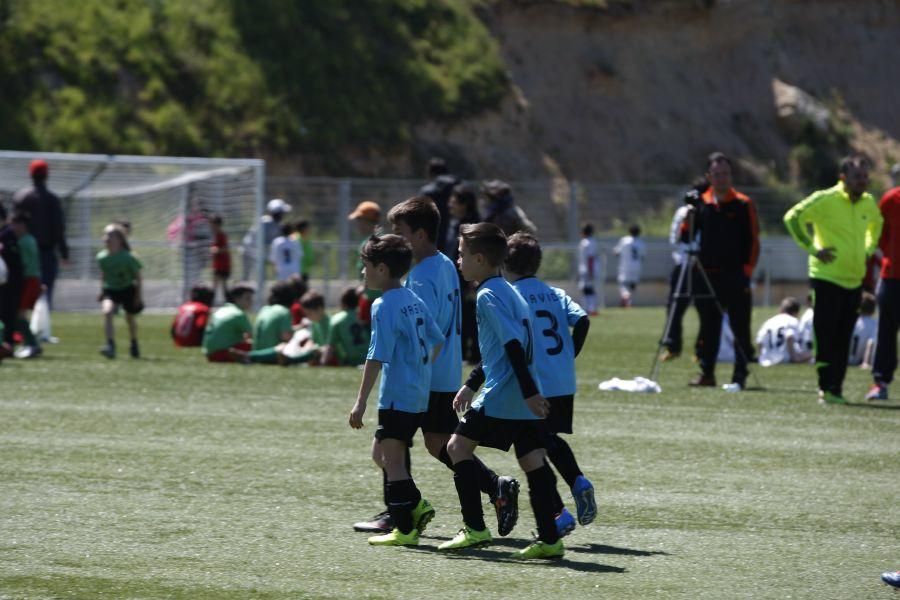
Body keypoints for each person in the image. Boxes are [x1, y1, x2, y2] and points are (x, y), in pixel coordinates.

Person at [354, 197, 516, 536]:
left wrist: (402, 366)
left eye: (400, 232)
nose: (395, 239)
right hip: (443, 372)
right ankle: (495, 485)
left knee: (389, 446)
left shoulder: (421, 277)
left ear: (422, 234)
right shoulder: (443, 263)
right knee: (437, 442)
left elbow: (421, 331)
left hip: (424, 375)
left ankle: (400, 513)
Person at [441, 222, 563, 560]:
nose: (458, 260)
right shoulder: (510, 290)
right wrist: (471, 382)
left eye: (462, 254)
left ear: (480, 259)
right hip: (520, 391)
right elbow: (504, 346)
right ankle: (550, 539)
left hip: (505, 394)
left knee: (457, 447)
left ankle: (474, 528)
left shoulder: (487, 295)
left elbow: (511, 346)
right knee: (533, 461)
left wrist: (525, 392)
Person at [348, 233, 444, 548]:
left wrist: (360, 402)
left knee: (394, 461)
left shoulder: (384, 304)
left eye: (366, 266)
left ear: (382, 268)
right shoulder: (412, 299)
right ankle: (415, 505)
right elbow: (437, 339)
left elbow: (376, 356)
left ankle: (405, 528)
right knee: (382, 454)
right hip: (417, 394)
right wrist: (421, 370)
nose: (362, 272)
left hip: (396, 395)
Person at [505, 232, 596, 536]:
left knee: (529, 448)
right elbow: (582, 320)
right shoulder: (554, 292)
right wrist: (570, 354)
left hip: (536, 382)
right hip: (562, 379)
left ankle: (558, 514)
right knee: (546, 439)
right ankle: (577, 481)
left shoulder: (511, 295)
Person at [784, 155, 883, 404]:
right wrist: (812, 248)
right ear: (843, 177)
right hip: (826, 278)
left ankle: (835, 388)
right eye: (858, 177)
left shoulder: (868, 203)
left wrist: (868, 251)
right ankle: (825, 387)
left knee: (844, 336)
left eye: (865, 176)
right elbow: (792, 218)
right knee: (826, 334)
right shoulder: (825, 199)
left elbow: (877, 225)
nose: (863, 181)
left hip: (854, 280)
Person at [686, 152, 760, 390]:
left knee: (740, 326)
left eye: (725, 174)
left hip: (735, 275)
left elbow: (754, 240)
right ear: (709, 176)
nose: (721, 179)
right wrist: (688, 215)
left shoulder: (743, 203)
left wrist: (747, 271)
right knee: (708, 326)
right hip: (706, 276)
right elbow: (685, 235)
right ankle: (707, 373)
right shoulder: (701, 203)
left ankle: (740, 375)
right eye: (716, 174)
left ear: (731, 175)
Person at [12, 160, 69, 316]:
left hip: (22, 253)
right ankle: (41, 329)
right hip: (46, 252)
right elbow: (59, 228)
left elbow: (13, 226)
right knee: (45, 292)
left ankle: (20, 326)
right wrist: (64, 253)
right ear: (46, 175)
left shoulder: (21, 197)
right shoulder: (53, 200)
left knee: (21, 291)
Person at [660, 179, 707, 361]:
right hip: (683, 264)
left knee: (705, 307)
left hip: (701, 265)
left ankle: (702, 349)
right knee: (674, 306)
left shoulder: (707, 212)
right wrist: (683, 256)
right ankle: (672, 344)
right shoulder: (683, 213)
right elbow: (675, 238)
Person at [866, 169, 900, 400]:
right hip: (892, 277)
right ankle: (880, 382)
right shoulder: (890, 199)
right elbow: (879, 233)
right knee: (886, 332)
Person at [96, 226, 143, 359]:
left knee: (129, 318)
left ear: (119, 240)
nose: (106, 238)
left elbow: (138, 277)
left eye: (110, 235)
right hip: (111, 289)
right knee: (107, 311)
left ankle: (134, 342)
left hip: (127, 289)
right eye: (105, 235)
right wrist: (101, 290)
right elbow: (104, 273)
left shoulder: (128, 257)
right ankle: (110, 345)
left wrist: (138, 296)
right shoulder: (101, 257)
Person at [447, 184, 481, 364]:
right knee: (458, 316)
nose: (450, 203)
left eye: (454, 200)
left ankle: (475, 353)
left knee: (472, 318)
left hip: (468, 278)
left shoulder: (473, 224)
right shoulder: (453, 223)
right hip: (455, 277)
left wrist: (474, 278)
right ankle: (459, 353)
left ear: (465, 203)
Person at [240, 281, 296, 364]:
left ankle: (250, 355)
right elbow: (286, 336)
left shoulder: (264, 309)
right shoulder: (284, 311)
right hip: (273, 356)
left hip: (257, 353)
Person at [11, 211, 43, 358]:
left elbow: (23, 264)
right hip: (33, 280)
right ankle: (27, 343)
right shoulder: (30, 239)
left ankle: (32, 345)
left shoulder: (23, 241)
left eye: (14, 224)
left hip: (29, 280)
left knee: (20, 315)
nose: (12, 228)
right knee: (20, 315)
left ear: (21, 225)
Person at [348, 200, 382, 326]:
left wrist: (363, 287)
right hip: (374, 296)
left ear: (366, 221)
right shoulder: (378, 239)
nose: (357, 225)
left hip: (374, 298)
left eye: (359, 220)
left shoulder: (371, 243)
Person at [202, 283, 254, 362]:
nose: (251, 301)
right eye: (248, 298)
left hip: (209, 354)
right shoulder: (239, 314)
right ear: (236, 298)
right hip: (224, 353)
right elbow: (253, 336)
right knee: (258, 346)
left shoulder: (221, 310)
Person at [241, 198, 291, 280]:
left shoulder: (276, 224)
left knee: (260, 277)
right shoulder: (264, 222)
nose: (283, 215)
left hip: (258, 253)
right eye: (281, 213)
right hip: (250, 251)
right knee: (249, 277)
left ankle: (258, 291)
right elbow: (254, 241)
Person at [419, 157, 460, 254]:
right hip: (457, 236)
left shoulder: (427, 191)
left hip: (433, 238)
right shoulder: (459, 187)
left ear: (431, 172)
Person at [755, 297, 811, 367]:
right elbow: (789, 336)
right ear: (795, 312)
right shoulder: (793, 321)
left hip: (766, 360)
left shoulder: (768, 322)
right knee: (810, 355)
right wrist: (794, 357)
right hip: (783, 358)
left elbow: (759, 341)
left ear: (781, 309)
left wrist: (762, 357)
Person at [322, 287, 370, 367]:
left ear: (343, 303)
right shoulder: (365, 315)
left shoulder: (337, 319)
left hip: (353, 361)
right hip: (370, 358)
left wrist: (322, 363)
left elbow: (330, 347)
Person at [0, 202, 23, 349]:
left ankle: (8, 343)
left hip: (10, 281)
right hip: (5, 281)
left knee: (8, 313)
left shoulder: (8, 234)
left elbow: (14, 258)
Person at [613, 224, 646, 307]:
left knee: (622, 283)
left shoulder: (624, 240)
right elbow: (642, 256)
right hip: (637, 266)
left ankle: (625, 296)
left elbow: (617, 252)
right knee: (632, 284)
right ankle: (629, 302)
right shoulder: (641, 242)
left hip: (625, 266)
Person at [848, 292, 877, 367]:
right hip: (859, 359)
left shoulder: (850, 321)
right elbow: (870, 344)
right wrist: (865, 362)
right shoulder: (874, 324)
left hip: (846, 359)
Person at [578, 224, 601, 315]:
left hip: (587, 269)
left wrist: (590, 270)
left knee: (588, 289)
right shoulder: (593, 242)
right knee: (587, 289)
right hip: (589, 269)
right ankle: (590, 308)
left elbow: (590, 258)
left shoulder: (586, 243)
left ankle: (591, 308)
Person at [209, 214, 231, 305]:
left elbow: (225, 248)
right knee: (215, 285)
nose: (211, 226)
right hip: (217, 264)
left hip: (223, 265)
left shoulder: (222, 235)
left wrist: (216, 250)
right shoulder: (215, 235)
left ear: (217, 225)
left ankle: (229, 303)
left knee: (223, 286)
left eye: (212, 224)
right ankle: (210, 303)